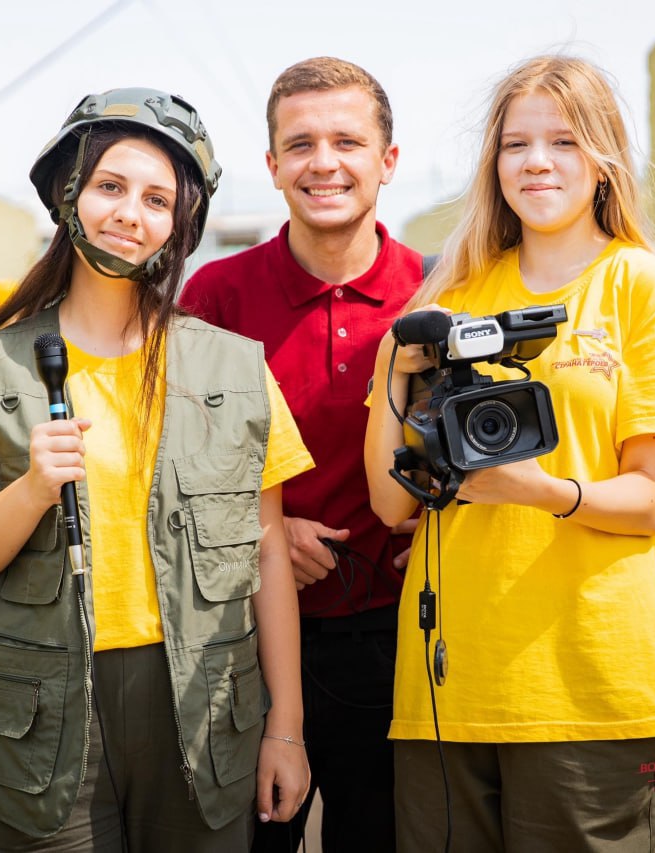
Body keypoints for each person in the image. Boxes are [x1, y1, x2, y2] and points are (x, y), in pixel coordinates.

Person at [0, 87, 312, 851]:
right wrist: (32, 489)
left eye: (157, 198)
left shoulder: (234, 368)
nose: (131, 213)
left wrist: (286, 730)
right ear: (70, 198)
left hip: (202, 706)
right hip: (46, 716)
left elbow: (268, 553)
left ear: (179, 223)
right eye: (110, 187)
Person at [365, 55, 655, 851]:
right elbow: (393, 504)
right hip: (446, 683)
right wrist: (394, 370)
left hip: (593, 681)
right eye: (516, 144)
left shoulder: (642, 288)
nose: (537, 161)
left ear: (603, 161)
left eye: (564, 141)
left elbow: (649, 502)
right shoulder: (449, 300)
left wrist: (543, 492)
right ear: (492, 165)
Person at [180, 57, 423, 852]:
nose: (325, 161)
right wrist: (272, 534)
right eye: (302, 142)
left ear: (387, 160)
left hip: (399, 637)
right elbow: (172, 472)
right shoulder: (214, 297)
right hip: (244, 640)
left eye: (348, 140)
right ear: (273, 165)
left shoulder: (438, 291)